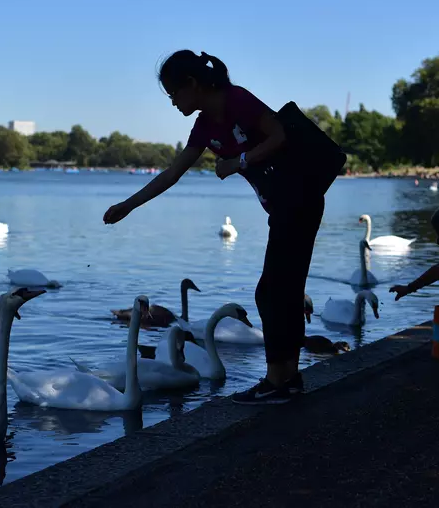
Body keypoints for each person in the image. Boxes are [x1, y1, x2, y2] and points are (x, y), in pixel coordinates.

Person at [103, 50, 327, 405]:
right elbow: (172, 173)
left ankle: (277, 380)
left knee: (272, 293)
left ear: (192, 85)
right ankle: (289, 378)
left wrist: (237, 162)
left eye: (174, 94)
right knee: (279, 292)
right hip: (284, 206)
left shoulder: (236, 99)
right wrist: (128, 206)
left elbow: (279, 135)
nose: (173, 103)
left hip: (300, 200)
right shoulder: (205, 125)